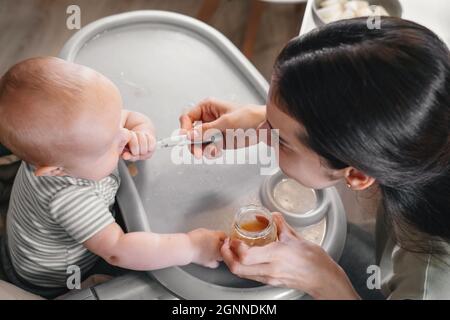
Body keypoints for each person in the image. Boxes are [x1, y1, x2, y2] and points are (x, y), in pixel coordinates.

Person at [180, 17, 450, 299]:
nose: (263, 132)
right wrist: (266, 120)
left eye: (280, 140)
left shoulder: (430, 282)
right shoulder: (432, 110)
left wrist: (324, 281)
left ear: (357, 174)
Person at [0, 57, 225, 298]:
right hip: (57, 279)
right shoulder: (69, 197)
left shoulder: (67, 143)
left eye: (117, 122)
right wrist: (191, 248)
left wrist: (143, 132)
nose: (124, 135)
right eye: (108, 145)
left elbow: (130, 119)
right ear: (56, 171)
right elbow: (118, 250)